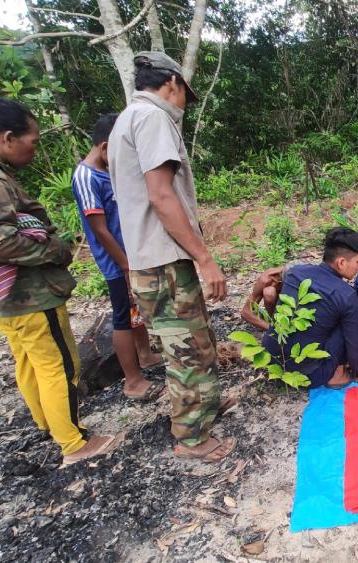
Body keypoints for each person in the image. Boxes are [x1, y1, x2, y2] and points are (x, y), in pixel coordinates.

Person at [0, 98, 122, 465]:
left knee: (29, 361)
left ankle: (49, 423)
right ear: (7, 138)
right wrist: (54, 250)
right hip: (28, 292)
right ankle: (74, 442)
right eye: (32, 141)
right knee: (58, 365)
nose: (34, 149)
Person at [109, 51, 236, 462]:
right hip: (162, 259)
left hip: (155, 259)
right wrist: (205, 258)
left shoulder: (127, 118)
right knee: (187, 350)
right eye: (185, 94)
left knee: (194, 340)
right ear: (172, 83)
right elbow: (161, 196)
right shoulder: (152, 118)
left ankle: (205, 407)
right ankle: (192, 438)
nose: (184, 104)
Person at [71, 113, 164, 402]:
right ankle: (132, 381)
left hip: (131, 257)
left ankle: (145, 356)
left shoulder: (107, 173)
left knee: (136, 310)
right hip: (117, 263)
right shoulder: (86, 177)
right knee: (123, 317)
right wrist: (124, 266)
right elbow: (99, 229)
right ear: (104, 146)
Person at [262, 228, 358, 389]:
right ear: (341, 262)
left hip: (270, 360)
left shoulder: (295, 272)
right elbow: (355, 349)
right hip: (309, 375)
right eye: (357, 262)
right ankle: (338, 376)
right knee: (347, 323)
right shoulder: (347, 296)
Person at [240, 266, 285, 330]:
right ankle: (273, 320)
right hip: (277, 309)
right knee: (269, 292)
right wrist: (272, 329)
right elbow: (245, 312)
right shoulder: (267, 279)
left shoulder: (296, 275)